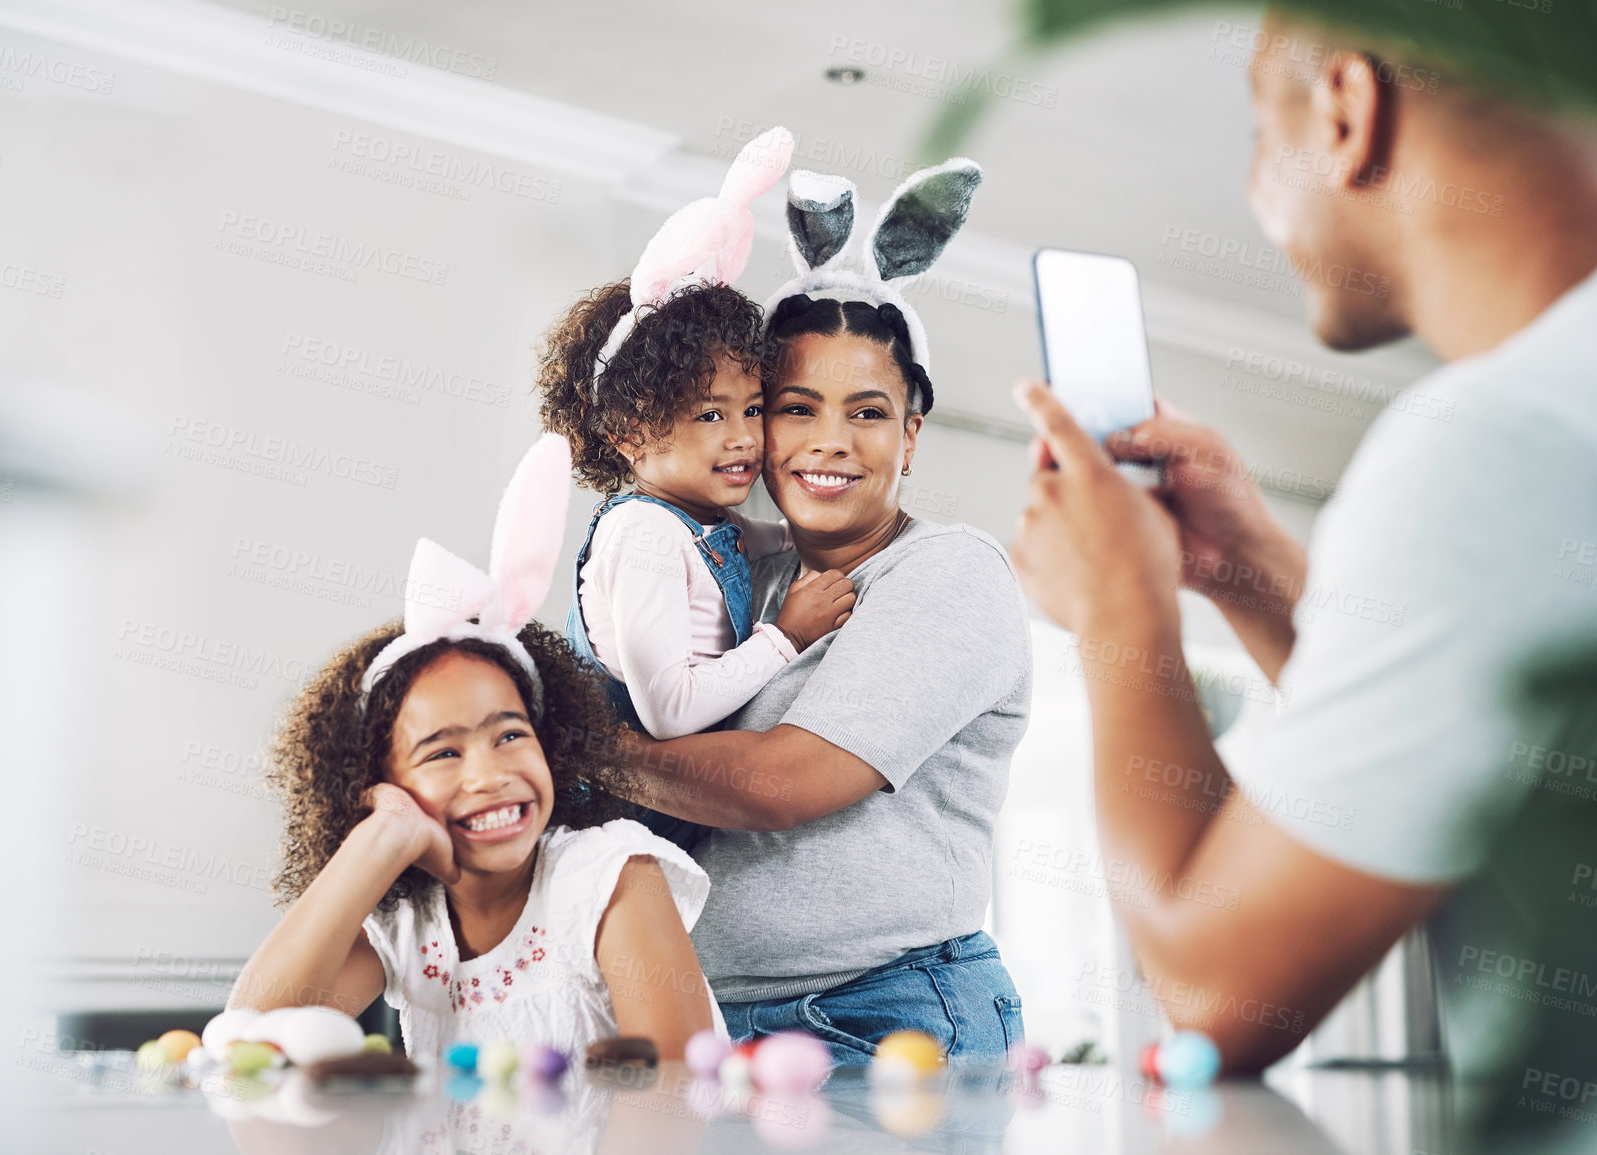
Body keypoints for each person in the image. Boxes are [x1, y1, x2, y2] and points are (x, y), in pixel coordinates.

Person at [1006, 7, 1597, 1137]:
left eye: (1251, 136)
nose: (1251, 191)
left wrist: (1115, 608)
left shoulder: (1489, 440)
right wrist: (1258, 576)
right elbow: (1477, 768)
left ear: (1347, 111)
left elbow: (1216, 994)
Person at [620, 161, 1035, 1066]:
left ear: (909, 436)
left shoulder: (948, 572)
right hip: (709, 1022)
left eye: (868, 412)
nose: (829, 442)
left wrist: (578, 743)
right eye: (795, 407)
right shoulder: (735, 570)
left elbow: (778, 784)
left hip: (887, 1014)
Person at [230, 436, 722, 1061]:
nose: (490, 774)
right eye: (442, 753)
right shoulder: (411, 922)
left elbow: (674, 1091)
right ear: (380, 784)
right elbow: (247, 1036)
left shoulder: (611, 876)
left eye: (510, 735)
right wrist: (378, 841)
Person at [537, 127, 855, 853]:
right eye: (709, 414)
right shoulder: (642, 532)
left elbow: (762, 543)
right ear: (627, 432)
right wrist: (788, 636)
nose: (743, 436)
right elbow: (669, 712)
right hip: (611, 828)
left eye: (751, 408)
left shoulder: (700, 524)